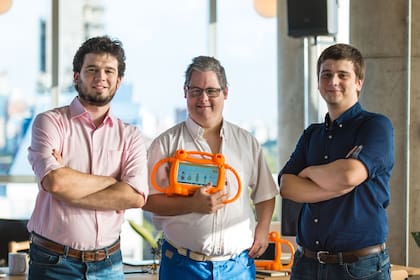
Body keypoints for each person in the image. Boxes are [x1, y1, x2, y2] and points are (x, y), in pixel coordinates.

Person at [144, 56, 279, 280]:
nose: (203, 98)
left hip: (238, 268)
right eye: (195, 90)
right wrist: (192, 204)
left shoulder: (246, 142)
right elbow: (148, 200)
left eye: (211, 91)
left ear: (225, 92)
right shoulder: (165, 144)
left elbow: (265, 193)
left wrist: (263, 229)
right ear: (185, 92)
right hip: (182, 266)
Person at [26, 36, 148, 280]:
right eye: (92, 69)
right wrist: (113, 182)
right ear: (76, 76)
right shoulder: (50, 123)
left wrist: (70, 189)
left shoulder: (131, 135)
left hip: (109, 265)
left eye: (108, 71)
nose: (101, 77)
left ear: (118, 80)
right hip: (53, 262)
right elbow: (56, 183)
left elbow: (135, 197)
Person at [278, 43, 394, 280]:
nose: (333, 81)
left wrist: (308, 172)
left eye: (343, 75)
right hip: (306, 265)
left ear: (358, 83)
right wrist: (336, 187)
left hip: (359, 268)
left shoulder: (375, 126)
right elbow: (287, 186)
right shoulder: (312, 134)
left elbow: (348, 175)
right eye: (326, 74)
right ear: (318, 82)